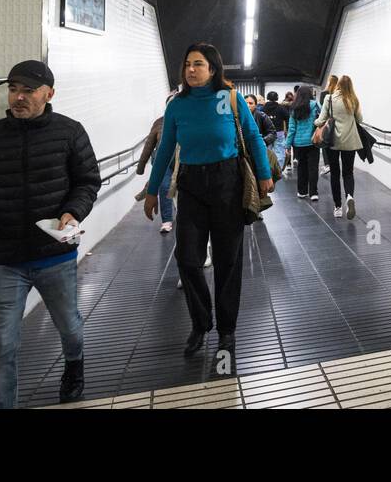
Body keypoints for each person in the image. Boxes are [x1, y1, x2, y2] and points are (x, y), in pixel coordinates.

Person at [0, 60, 101, 408]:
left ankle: (73, 366)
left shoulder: (70, 132)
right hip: (6, 259)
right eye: (13, 89)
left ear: (49, 94)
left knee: (69, 327)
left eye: (27, 90)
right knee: (3, 342)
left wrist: (72, 211)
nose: (18, 97)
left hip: (55, 254)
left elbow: (87, 181)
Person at [142, 43, 272, 358]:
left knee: (228, 260)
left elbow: (253, 136)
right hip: (190, 185)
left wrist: (265, 174)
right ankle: (201, 324)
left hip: (227, 181)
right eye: (187, 64)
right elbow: (165, 148)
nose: (191, 69)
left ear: (212, 69)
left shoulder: (229, 98)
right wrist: (151, 190)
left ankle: (227, 331)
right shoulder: (177, 105)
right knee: (187, 258)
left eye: (198, 64)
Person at [316, 75, 365, 219]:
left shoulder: (329, 99)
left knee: (335, 174)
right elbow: (360, 119)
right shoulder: (354, 99)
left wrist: (315, 123)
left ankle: (337, 207)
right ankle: (349, 196)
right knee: (348, 172)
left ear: (338, 85)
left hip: (333, 142)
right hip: (351, 141)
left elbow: (322, 119)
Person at [137, 88, 180, 233]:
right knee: (165, 187)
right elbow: (149, 144)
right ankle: (167, 220)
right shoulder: (159, 122)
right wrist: (141, 166)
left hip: (182, 160)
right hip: (163, 162)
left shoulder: (187, 120)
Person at [285, 86, 322, 201]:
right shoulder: (316, 105)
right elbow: (322, 120)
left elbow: (291, 129)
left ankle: (302, 191)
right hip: (313, 142)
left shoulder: (294, 108)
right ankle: (313, 193)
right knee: (313, 167)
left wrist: (287, 145)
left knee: (302, 167)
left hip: (298, 143)